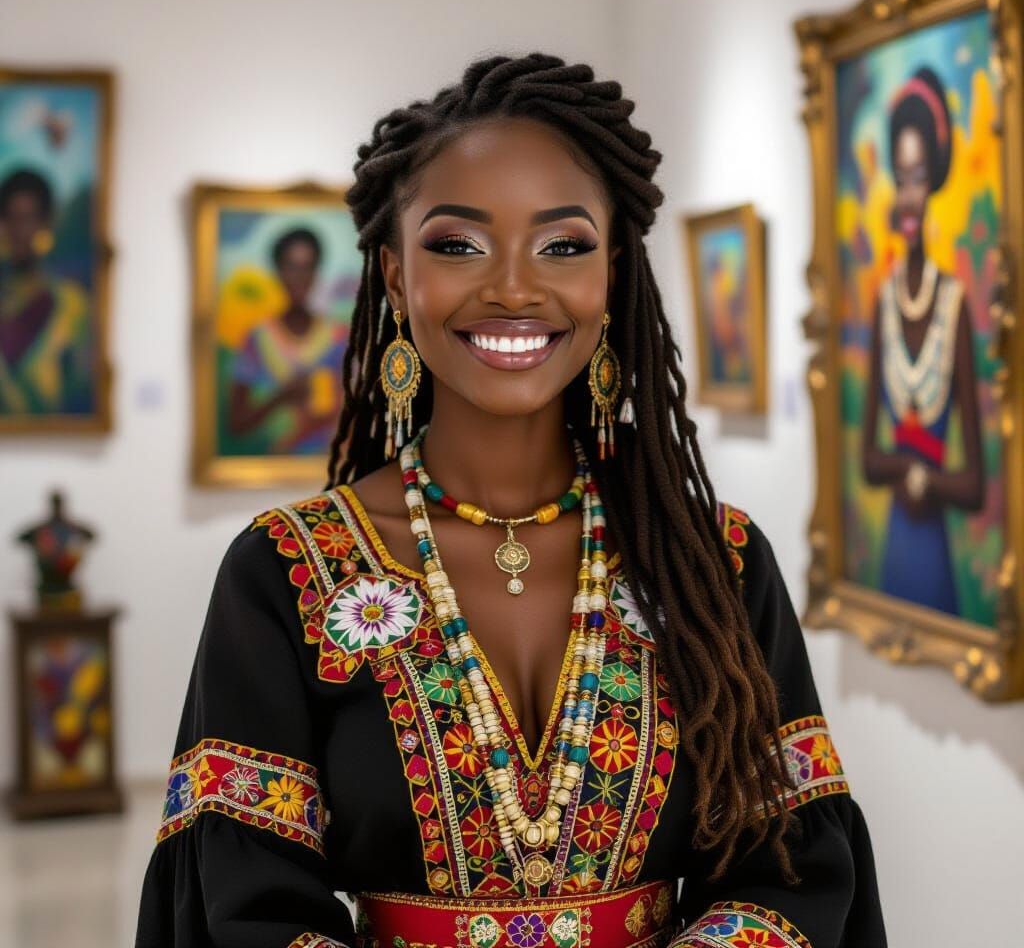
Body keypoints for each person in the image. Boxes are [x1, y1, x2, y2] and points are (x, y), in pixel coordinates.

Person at [136, 53, 886, 948]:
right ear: (394, 275)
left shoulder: (713, 563)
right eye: (458, 245)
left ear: (612, 272)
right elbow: (242, 902)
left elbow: (794, 865)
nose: (515, 289)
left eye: (562, 246)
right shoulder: (288, 572)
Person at [861, 66, 985, 617]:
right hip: (897, 544)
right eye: (900, 177)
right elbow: (867, 460)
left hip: (933, 546)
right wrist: (916, 472)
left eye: (917, 178)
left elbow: (974, 484)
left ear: (932, 183)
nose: (907, 196)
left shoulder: (954, 306)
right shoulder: (884, 302)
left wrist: (918, 476)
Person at [228, 226, 348, 454]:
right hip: (274, 465)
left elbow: (357, 412)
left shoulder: (339, 337)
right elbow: (237, 424)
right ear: (278, 271)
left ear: (316, 272)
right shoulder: (257, 339)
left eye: (307, 267)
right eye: (291, 267)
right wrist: (281, 396)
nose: (299, 277)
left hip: (326, 465)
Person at [0, 167, 92, 415]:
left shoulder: (71, 305)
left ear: (45, 224)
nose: (19, 232)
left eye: (27, 219)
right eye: (10, 219)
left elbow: (80, 391)